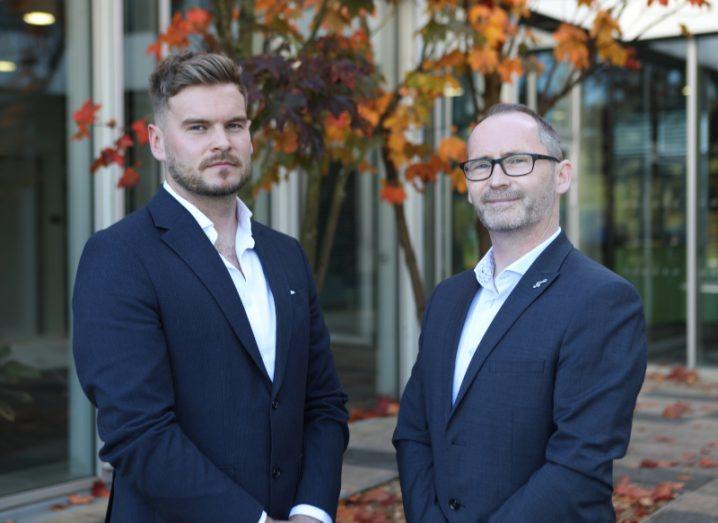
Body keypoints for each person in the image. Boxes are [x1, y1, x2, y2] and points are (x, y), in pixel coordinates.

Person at [73, 51, 348, 523]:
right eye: (198, 128)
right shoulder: (119, 257)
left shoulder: (286, 257)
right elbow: (139, 433)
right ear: (158, 142)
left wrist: (311, 511)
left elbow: (322, 404)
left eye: (235, 125)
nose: (222, 142)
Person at [393, 103, 647, 522]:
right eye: (480, 165)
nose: (497, 179)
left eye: (517, 161)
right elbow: (414, 432)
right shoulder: (448, 298)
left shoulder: (603, 301)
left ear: (562, 175)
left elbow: (578, 467)